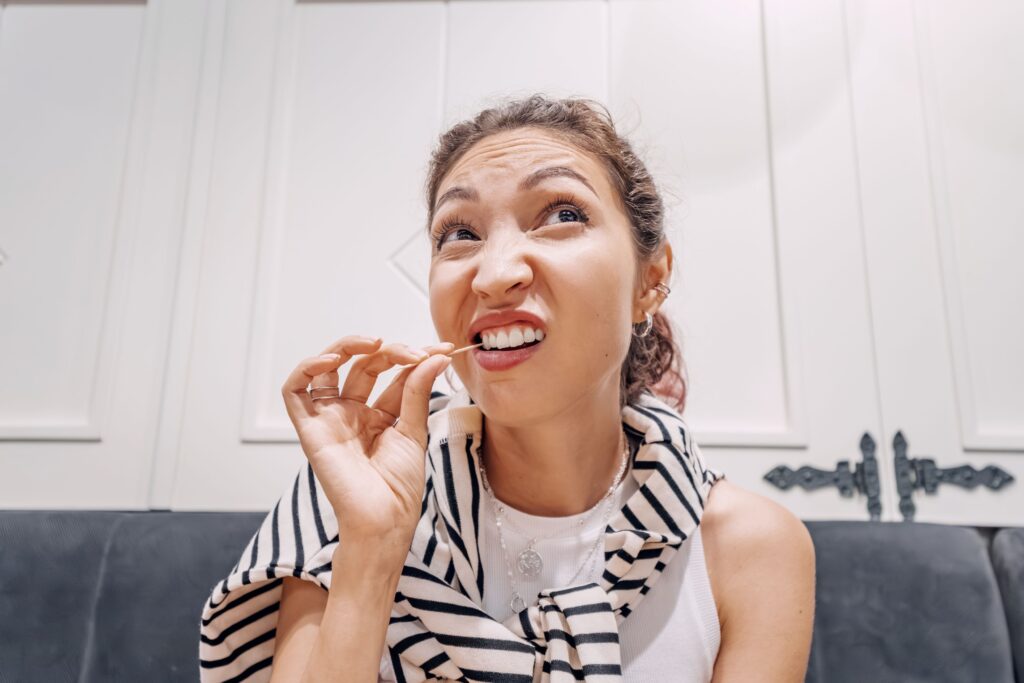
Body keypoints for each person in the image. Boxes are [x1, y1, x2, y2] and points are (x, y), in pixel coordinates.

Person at [198, 95, 815, 682]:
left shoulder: (750, 549)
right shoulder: (343, 503)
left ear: (649, 281)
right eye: (458, 234)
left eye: (562, 216)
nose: (493, 275)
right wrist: (372, 548)